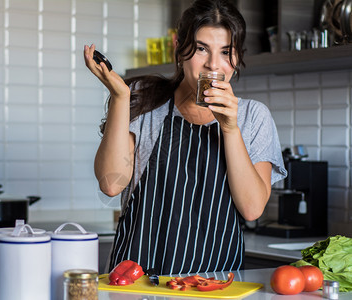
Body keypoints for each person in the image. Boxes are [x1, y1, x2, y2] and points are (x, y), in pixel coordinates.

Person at [84, 0, 287, 275]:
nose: (214, 64)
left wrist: (230, 128)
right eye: (202, 49)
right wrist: (121, 98)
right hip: (134, 281)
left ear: (237, 58)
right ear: (180, 49)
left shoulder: (253, 116)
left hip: (214, 284)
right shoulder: (145, 101)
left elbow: (252, 209)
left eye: (226, 51)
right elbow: (111, 184)